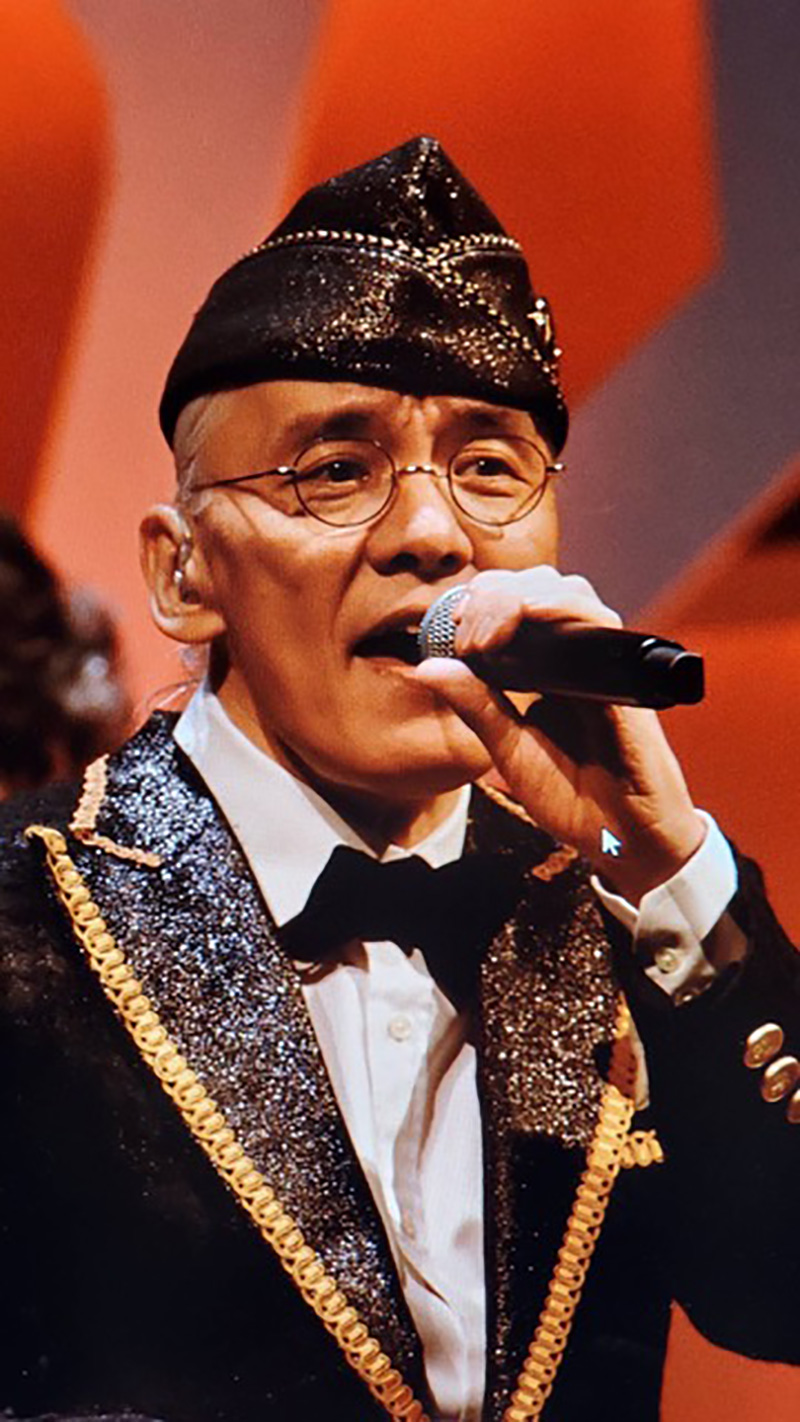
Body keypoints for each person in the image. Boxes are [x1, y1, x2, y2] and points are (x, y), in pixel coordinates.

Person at [1, 136, 798, 1422]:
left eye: (488, 468)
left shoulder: (628, 923)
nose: (432, 534)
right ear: (181, 572)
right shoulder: (24, 923)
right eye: (335, 470)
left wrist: (669, 876)